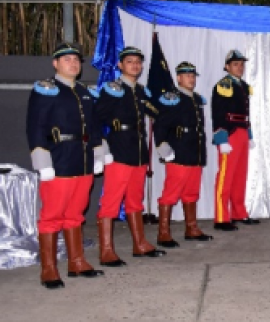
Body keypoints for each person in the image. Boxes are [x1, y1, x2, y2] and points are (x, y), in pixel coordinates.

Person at [26, 43, 105, 289]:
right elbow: (35, 126)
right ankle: (48, 268)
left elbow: (92, 126)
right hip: (58, 159)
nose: (73, 63)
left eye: (76, 59)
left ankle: (77, 261)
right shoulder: (46, 89)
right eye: (67, 59)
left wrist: (98, 152)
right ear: (55, 63)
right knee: (51, 216)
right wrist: (42, 159)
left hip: (82, 161)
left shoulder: (83, 92)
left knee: (75, 214)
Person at [95, 46, 167, 265]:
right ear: (120, 65)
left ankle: (140, 244)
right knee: (111, 201)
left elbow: (156, 113)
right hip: (118, 150)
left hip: (138, 152)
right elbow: (96, 118)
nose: (135, 65)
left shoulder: (140, 91)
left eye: (138, 61)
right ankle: (106, 250)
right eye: (130, 61)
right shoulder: (112, 89)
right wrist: (101, 146)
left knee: (136, 200)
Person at [154, 61, 214, 247]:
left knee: (191, 192)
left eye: (193, 75)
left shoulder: (196, 99)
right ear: (179, 78)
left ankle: (191, 227)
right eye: (187, 75)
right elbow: (161, 124)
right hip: (178, 152)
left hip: (194, 152)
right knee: (171, 193)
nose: (191, 79)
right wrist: (162, 146)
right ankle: (163, 232)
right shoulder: (172, 97)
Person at [211, 50, 259, 231]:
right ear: (227, 67)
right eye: (236, 64)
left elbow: (246, 114)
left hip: (241, 133)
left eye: (241, 64)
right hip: (229, 133)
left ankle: (239, 212)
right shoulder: (223, 85)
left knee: (240, 176)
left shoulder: (243, 86)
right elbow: (218, 114)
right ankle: (221, 218)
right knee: (226, 176)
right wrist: (222, 138)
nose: (240, 68)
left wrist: (250, 135)